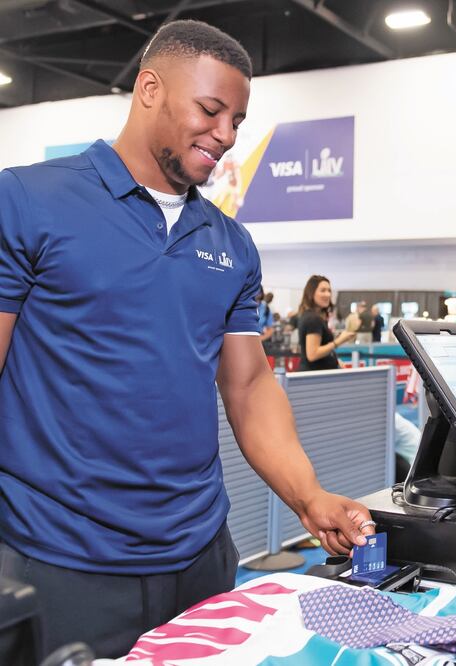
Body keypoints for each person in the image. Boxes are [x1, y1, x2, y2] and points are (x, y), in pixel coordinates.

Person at [0, 20, 374, 659]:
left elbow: (250, 386)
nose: (226, 135)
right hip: (60, 558)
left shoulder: (230, 243)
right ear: (149, 88)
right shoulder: (28, 200)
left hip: (200, 555)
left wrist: (308, 496)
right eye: (210, 109)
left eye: (238, 119)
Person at [297, 275, 355, 371]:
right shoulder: (313, 319)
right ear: (311, 293)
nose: (328, 294)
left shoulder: (312, 316)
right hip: (315, 378)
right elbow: (312, 354)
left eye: (329, 290)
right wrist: (339, 341)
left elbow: (320, 349)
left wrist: (335, 360)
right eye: (323, 290)